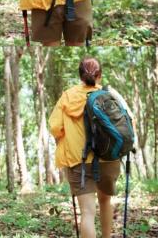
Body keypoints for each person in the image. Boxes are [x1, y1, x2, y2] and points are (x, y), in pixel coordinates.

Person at [49, 57, 119, 238]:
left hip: (78, 160)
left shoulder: (68, 96)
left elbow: (55, 128)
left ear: (80, 75)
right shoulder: (109, 95)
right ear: (99, 75)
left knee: (87, 213)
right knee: (105, 201)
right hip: (108, 158)